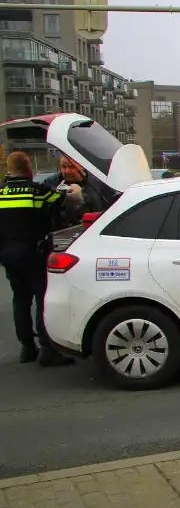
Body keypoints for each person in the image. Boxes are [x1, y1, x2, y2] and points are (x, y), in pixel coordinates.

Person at [0, 152, 79, 365]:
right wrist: (74, 191)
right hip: (33, 253)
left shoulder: (1, 193)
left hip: (8, 254)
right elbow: (63, 201)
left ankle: (27, 347)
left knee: (21, 299)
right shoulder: (37, 191)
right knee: (42, 297)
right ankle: (48, 349)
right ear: (28, 168)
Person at [38, 154, 115, 227]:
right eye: (63, 166)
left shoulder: (98, 184)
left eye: (71, 167)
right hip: (59, 233)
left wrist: (83, 198)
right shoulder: (50, 182)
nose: (67, 171)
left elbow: (107, 211)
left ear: (82, 165)